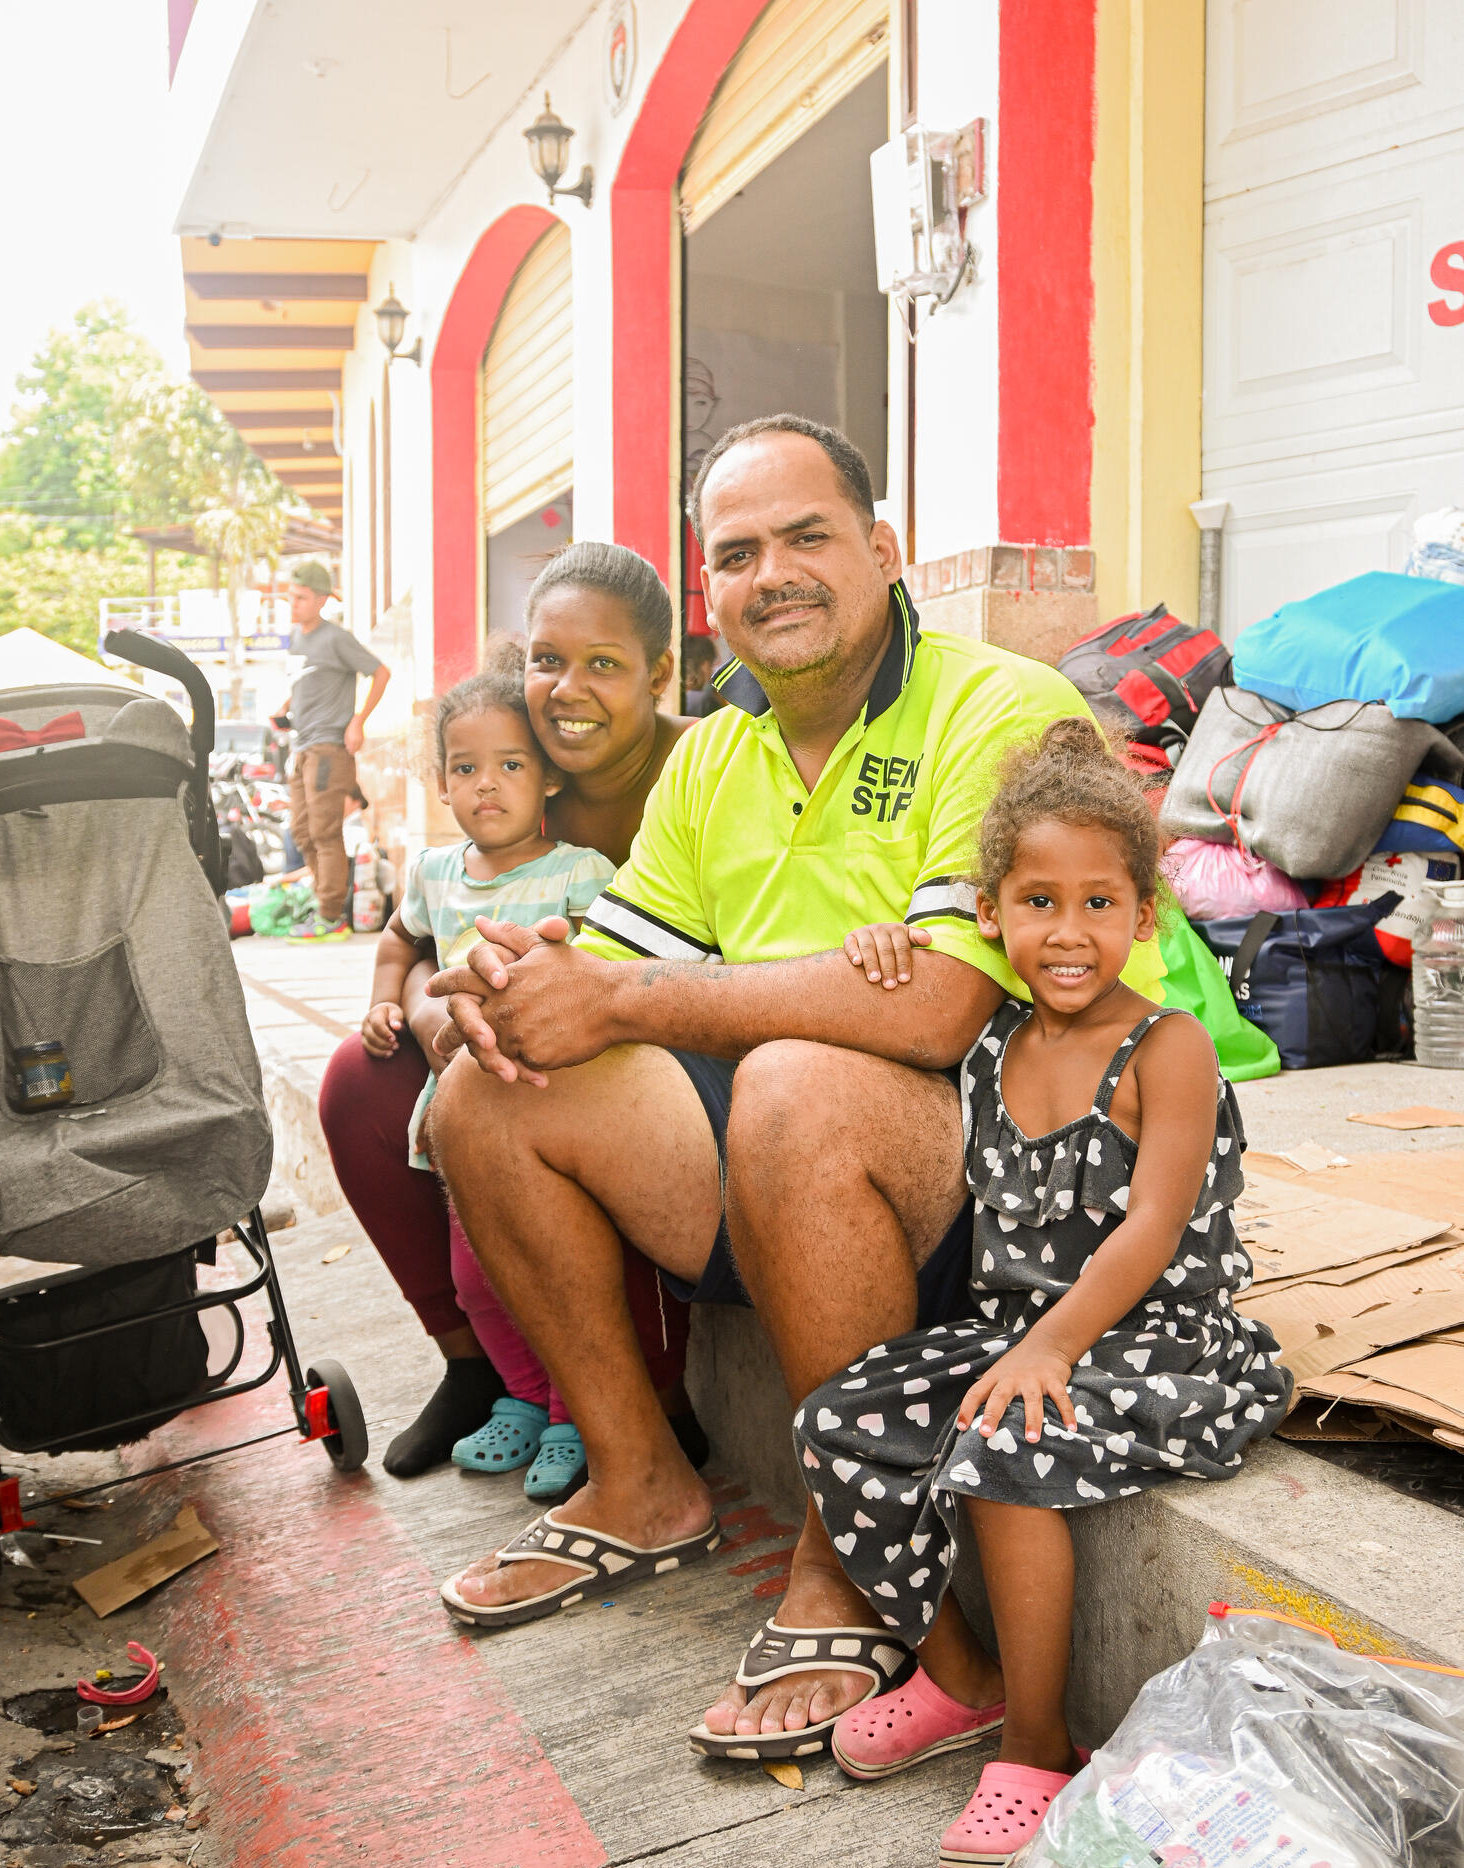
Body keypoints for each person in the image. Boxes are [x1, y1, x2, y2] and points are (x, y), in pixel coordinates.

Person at [423, 414, 1164, 1733]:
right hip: (792, 1175)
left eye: (806, 537)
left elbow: (940, 1009)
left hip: (1020, 1173)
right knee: (493, 1086)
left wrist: (637, 999)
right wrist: (503, 989)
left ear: (884, 551)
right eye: (736, 554)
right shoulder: (714, 754)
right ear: (708, 597)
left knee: (794, 1082)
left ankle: (851, 1558)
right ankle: (641, 1482)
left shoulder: (1004, 706)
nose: (771, 575)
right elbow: (605, 962)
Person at [796, 718, 1291, 1868]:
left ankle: (1035, 1747)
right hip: (1025, 1333)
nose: (1068, 933)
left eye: (1099, 904)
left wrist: (1053, 1350)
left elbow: (1153, 1227)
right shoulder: (991, 1038)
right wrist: (877, 941)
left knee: (1008, 1439)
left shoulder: (1168, 1047)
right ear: (991, 910)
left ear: (1145, 915)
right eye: (1038, 902)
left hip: (1162, 1341)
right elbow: (882, 991)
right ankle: (961, 1673)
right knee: (840, 1417)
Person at [317, 541, 700, 1478]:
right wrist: (422, 1012)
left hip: (641, 1047)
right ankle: (476, 1365)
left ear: (657, 673)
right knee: (356, 1082)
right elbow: (422, 935)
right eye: (545, 661)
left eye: (603, 665)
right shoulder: (510, 786)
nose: (567, 689)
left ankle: (646, 1393)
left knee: (557, 1097)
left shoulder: (704, 770)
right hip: (488, 1038)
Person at [362, 669, 614, 1499]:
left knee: (555, 1261)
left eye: (510, 765)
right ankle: (524, 1399)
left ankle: (580, 1409)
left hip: (549, 1101)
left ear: (548, 774)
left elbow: (605, 963)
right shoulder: (434, 873)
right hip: (458, 1113)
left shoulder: (579, 871)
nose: (486, 785)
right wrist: (382, 1002)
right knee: (477, 1277)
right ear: (441, 782)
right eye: (465, 768)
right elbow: (401, 944)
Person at [279, 559, 391, 941]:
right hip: (302, 747)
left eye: (301, 597)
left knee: (325, 833)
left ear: (322, 600)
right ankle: (323, 902)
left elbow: (380, 671)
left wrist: (358, 720)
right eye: (290, 597)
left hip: (329, 748)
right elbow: (304, 683)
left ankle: (330, 916)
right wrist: (285, 707)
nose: (292, 604)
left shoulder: (335, 638)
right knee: (302, 832)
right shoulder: (297, 637)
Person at [681, 632, 721, 717]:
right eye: (711, 665)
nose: (711, 672)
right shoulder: (705, 701)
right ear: (705, 664)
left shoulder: (675, 699)